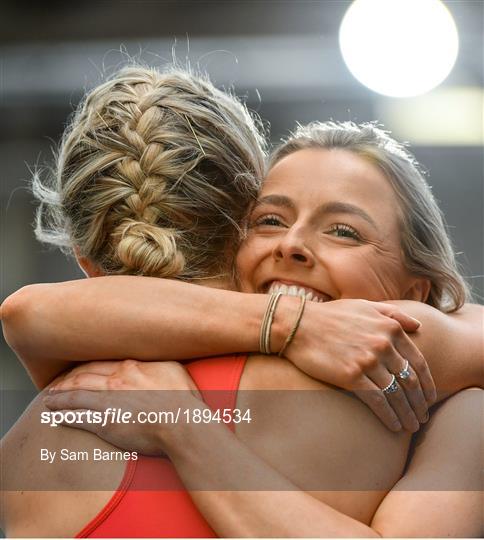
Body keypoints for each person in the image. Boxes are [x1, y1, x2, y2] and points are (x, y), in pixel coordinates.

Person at [1, 66, 482, 537]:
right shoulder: (393, 364)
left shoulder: (32, 439)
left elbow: (25, 314)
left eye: (343, 231)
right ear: (236, 229)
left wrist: (187, 428)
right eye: (271, 219)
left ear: (86, 262)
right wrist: (293, 324)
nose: (292, 244)